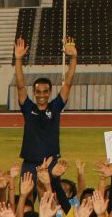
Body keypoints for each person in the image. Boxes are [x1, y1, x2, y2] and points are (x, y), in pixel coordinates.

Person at [13, 35, 77, 179]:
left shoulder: (55, 107)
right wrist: (18, 59)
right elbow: (20, 85)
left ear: (50, 92)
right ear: (34, 93)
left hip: (51, 163)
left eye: (45, 91)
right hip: (29, 163)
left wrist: (73, 58)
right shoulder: (28, 108)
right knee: (27, 199)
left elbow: (67, 83)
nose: (42, 95)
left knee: (50, 200)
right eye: (38, 91)